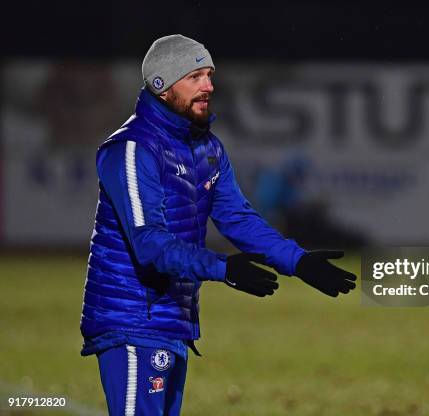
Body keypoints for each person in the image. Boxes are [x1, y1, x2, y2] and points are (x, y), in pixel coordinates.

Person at [79, 34, 356, 415]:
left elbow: (238, 219)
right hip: (132, 323)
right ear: (161, 85)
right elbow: (149, 243)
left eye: (209, 75)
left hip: (172, 321)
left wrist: (298, 261)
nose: (209, 85)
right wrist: (223, 268)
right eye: (195, 76)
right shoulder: (131, 149)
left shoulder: (207, 148)